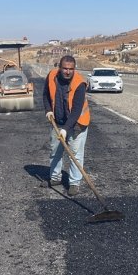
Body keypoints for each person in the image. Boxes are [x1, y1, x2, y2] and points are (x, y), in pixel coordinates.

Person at [43, 55, 90, 196]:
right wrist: (48, 111)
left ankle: (74, 183)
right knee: (55, 152)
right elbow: (45, 95)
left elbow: (76, 111)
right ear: (60, 68)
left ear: (74, 69)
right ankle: (55, 178)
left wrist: (65, 129)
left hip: (77, 124)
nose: (68, 72)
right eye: (65, 68)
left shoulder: (79, 83)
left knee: (75, 155)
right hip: (57, 121)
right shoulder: (51, 76)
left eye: (71, 69)